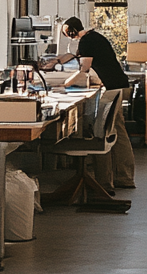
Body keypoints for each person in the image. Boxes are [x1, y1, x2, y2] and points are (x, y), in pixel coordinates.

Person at [57, 17, 136, 189]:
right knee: (115, 131)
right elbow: (74, 56)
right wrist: (56, 61)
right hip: (117, 85)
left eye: (66, 33)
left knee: (113, 132)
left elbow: (84, 68)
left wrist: (64, 85)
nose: (67, 37)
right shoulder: (93, 37)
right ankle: (121, 177)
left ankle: (123, 177)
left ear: (71, 31)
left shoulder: (86, 41)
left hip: (113, 88)